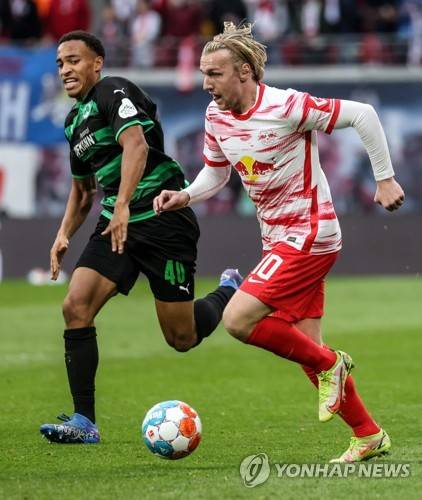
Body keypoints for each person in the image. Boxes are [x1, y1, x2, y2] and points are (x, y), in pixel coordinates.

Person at [153, 22, 405, 463]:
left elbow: (363, 114)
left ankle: (332, 364)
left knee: (237, 319)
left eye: (215, 73)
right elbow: (217, 173)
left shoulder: (285, 106)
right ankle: (367, 434)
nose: (206, 83)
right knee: (306, 348)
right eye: (204, 73)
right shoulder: (215, 117)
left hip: (311, 232)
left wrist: (384, 179)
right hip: (277, 239)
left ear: (245, 71)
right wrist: (185, 195)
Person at [39, 30, 242, 444]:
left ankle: (228, 290)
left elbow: (136, 146)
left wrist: (124, 203)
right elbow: (83, 191)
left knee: (181, 337)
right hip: (117, 224)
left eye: (74, 60)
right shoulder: (73, 123)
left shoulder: (114, 91)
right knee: (76, 307)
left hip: (163, 219)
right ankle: (84, 422)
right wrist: (63, 234)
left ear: (97, 63)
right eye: (60, 63)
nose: (66, 70)